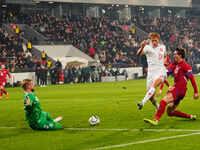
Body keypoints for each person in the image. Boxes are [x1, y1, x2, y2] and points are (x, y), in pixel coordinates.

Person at [144, 48, 199, 125]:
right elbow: (167, 72)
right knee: (170, 112)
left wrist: (196, 92)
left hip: (179, 89)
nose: (174, 56)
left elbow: (192, 79)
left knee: (163, 101)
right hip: (179, 91)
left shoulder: (186, 66)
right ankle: (190, 116)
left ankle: (155, 120)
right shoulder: (174, 65)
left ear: (180, 55)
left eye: (175, 54)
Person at [136, 32, 167, 110]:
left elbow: (165, 55)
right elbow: (138, 54)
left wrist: (165, 61)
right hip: (151, 73)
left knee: (154, 86)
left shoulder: (163, 47)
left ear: (158, 40)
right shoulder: (147, 48)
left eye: (155, 40)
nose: (154, 42)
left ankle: (142, 102)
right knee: (151, 96)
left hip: (161, 71)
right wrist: (142, 47)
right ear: (150, 40)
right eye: (152, 40)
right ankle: (157, 105)